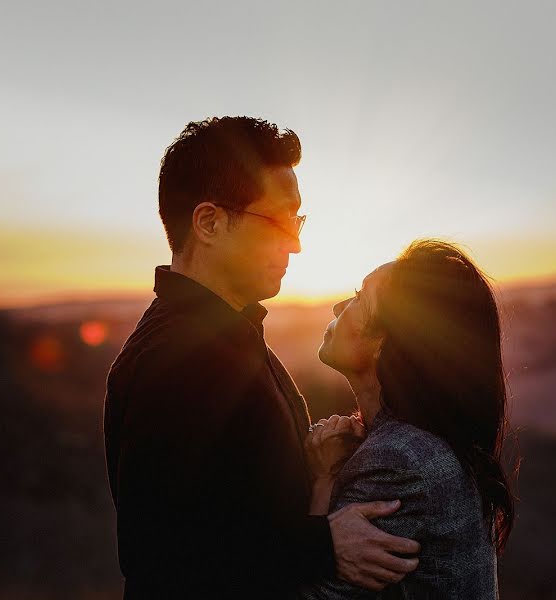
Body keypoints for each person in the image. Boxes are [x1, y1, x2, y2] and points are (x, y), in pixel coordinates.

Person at [103, 116, 420, 598]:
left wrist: (315, 477)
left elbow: (230, 508)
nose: (295, 242)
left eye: (297, 220)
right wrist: (323, 544)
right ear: (209, 223)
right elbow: (158, 553)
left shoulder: (228, 336)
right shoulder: (176, 359)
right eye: (278, 220)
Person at [300, 240, 517, 598]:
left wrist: (323, 484)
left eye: (359, 297)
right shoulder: (426, 442)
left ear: (383, 342)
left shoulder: (398, 461)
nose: (339, 305)